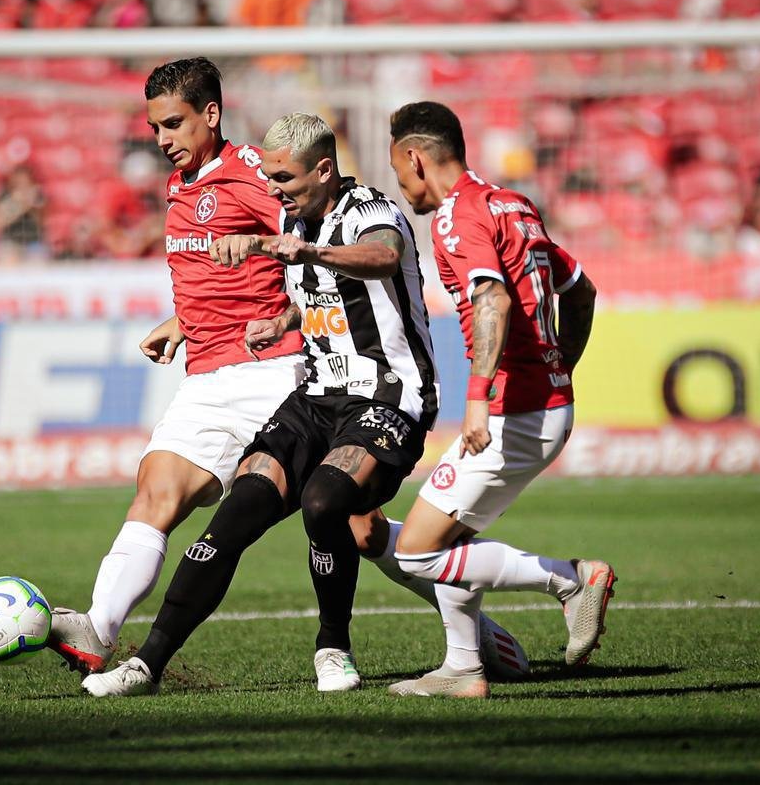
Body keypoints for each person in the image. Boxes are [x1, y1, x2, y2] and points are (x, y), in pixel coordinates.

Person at [48, 62, 527, 691]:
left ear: (210, 115)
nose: (161, 138)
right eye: (154, 127)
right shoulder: (183, 183)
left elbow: (318, 247)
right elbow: (241, 270)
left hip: (279, 373)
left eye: (173, 123)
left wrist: (284, 306)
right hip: (210, 369)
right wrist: (184, 320)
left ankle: (472, 636)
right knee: (158, 492)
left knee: (350, 522)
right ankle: (103, 634)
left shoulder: (256, 175)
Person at [81, 111, 444, 698]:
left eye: (285, 180)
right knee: (236, 513)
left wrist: (305, 253)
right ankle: (145, 665)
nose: (272, 191)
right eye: (270, 180)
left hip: (387, 397)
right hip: (317, 395)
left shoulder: (370, 211)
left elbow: (380, 257)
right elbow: (322, 298)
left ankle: (334, 648)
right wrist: (282, 319)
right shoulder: (294, 216)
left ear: (324, 170)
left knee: (326, 503)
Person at [386, 101, 614, 698]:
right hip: (545, 400)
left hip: (514, 408)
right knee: (450, 537)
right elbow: (581, 290)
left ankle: (571, 580)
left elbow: (493, 300)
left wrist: (480, 399)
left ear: (414, 158)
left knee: (415, 553)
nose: (401, 185)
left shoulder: (455, 218)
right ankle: (463, 668)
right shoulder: (513, 203)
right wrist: (559, 364)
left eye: (399, 171)